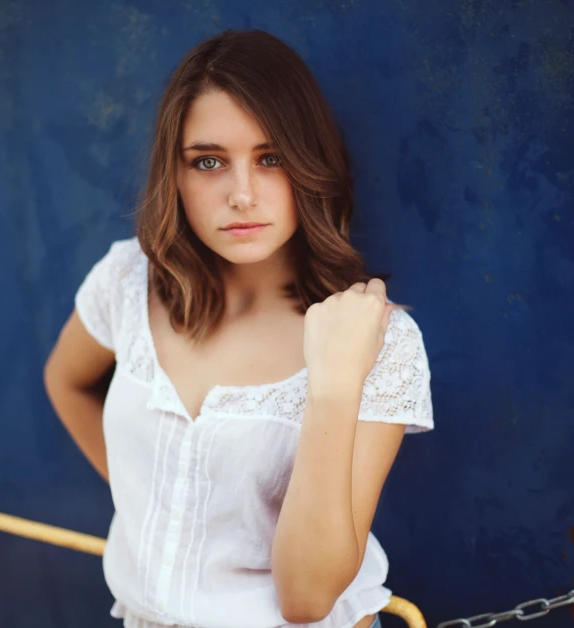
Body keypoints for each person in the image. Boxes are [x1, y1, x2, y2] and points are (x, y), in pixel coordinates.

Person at [44, 29, 433, 628]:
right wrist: (158, 507)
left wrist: (333, 382)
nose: (242, 194)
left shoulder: (379, 342)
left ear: (310, 164)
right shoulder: (127, 279)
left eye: (271, 158)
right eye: (208, 161)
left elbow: (307, 601)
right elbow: (66, 383)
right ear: (173, 175)